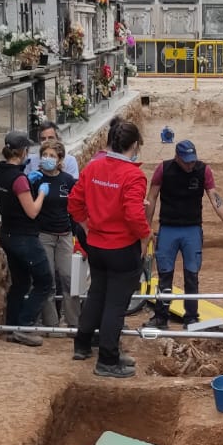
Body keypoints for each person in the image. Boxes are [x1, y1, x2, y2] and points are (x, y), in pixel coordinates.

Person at [68, 117, 149, 378]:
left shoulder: (94, 167)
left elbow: (74, 203)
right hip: (122, 247)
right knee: (115, 303)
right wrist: (146, 238)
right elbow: (134, 215)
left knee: (97, 294)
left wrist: (88, 227)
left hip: (97, 244)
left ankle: (82, 343)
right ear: (134, 145)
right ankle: (108, 358)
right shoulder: (133, 175)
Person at [145, 139, 223, 329]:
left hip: (192, 229)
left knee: (192, 275)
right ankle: (161, 317)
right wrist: (147, 227)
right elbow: (151, 197)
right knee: (165, 275)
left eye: (192, 160)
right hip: (168, 228)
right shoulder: (163, 169)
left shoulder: (203, 170)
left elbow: (214, 197)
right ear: (177, 157)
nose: (190, 165)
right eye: (186, 161)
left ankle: (191, 317)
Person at [0, 133, 54, 347]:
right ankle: (24, 326)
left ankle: (11, 326)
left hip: (7, 233)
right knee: (44, 281)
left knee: (20, 282)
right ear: (22, 152)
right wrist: (42, 193)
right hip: (24, 237)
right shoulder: (18, 179)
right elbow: (32, 211)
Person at [31, 139, 81, 327]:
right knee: (49, 280)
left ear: (60, 159)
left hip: (65, 235)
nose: (47, 159)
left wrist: (76, 233)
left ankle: (74, 323)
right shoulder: (36, 180)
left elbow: (75, 209)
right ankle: (51, 324)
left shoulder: (67, 181)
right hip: (44, 235)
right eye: (44, 155)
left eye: (52, 156)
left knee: (69, 278)